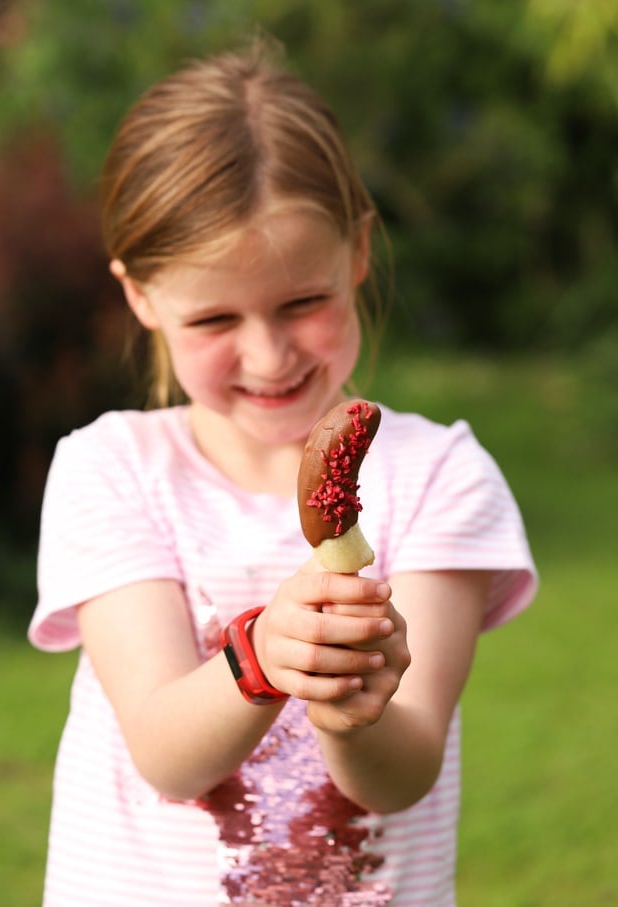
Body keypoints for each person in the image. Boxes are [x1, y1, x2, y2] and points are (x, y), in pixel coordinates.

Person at [29, 38, 537, 907]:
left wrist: (350, 707)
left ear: (358, 254)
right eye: (216, 316)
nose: (269, 353)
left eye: (303, 301)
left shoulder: (441, 475)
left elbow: (403, 770)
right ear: (142, 297)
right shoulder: (109, 471)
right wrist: (261, 658)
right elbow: (163, 747)